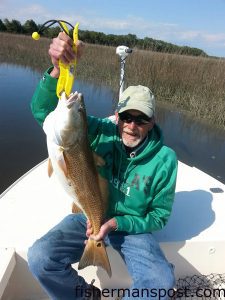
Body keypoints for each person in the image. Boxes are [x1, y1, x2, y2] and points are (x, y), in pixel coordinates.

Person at [28, 32, 178, 300]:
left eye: (141, 119)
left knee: (161, 282)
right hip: (87, 215)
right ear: (117, 115)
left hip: (129, 227)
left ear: (153, 122)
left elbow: (159, 216)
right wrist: (57, 69)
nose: (132, 125)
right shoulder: (98, 131)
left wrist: (116, 223)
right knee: (40, 257)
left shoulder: (165, 160)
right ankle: (87, 296)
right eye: (127, 116)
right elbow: (43, 112)